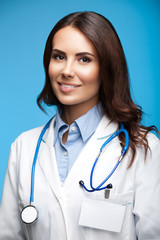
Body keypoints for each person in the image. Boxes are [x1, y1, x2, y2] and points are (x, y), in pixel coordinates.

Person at [0, 11, 160, 240]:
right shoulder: (24, 147)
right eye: (59, 57)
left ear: (107, 68)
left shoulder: (144, 149)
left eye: (84, 59)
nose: (67, 71)